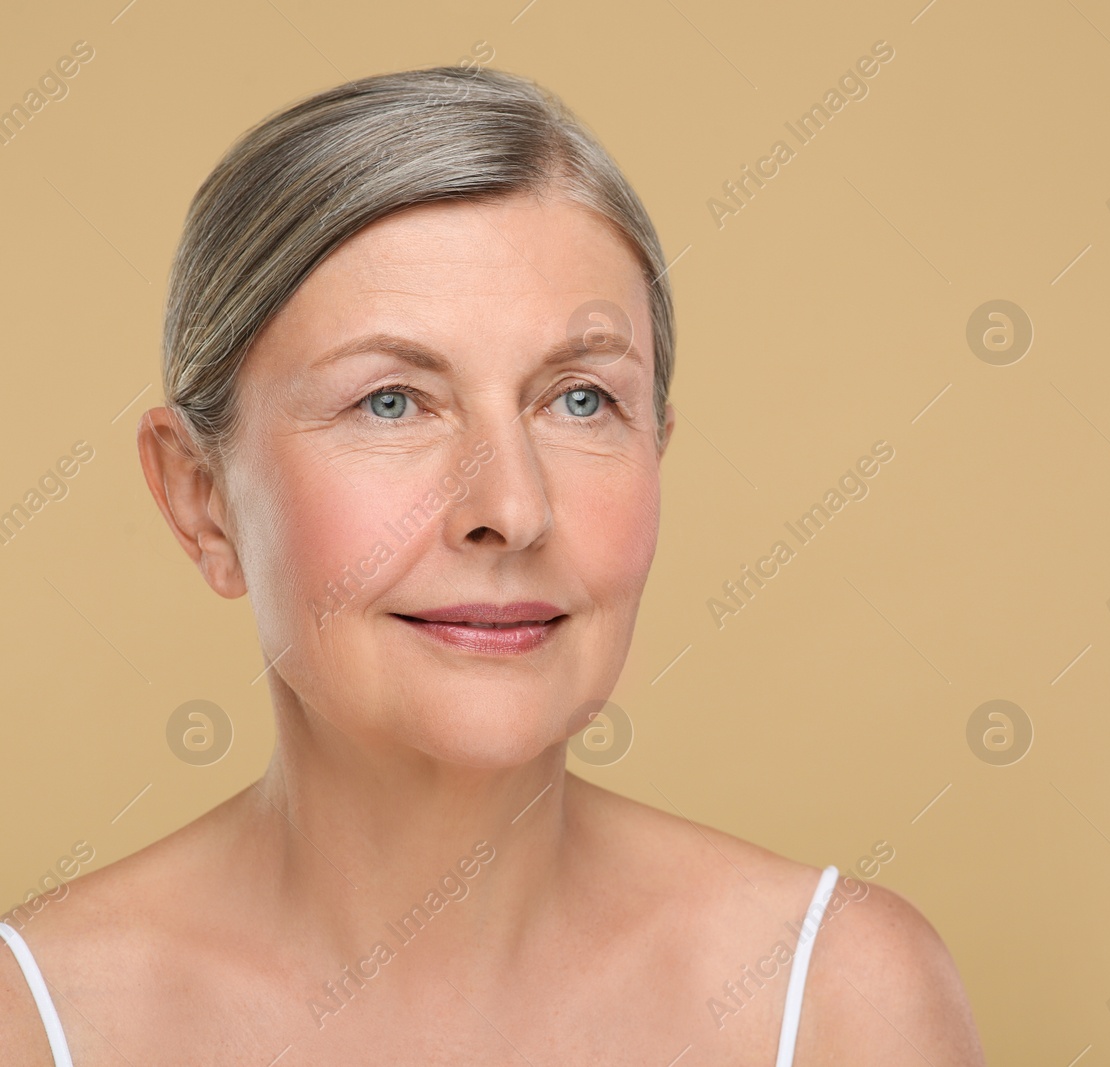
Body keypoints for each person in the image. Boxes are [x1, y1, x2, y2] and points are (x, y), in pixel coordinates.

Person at [0, 66, 986, 1064]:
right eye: (391, 400)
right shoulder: (34, 1020)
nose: (511, 510)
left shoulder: (839, 1000)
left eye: (580, 399)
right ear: (199, 497)